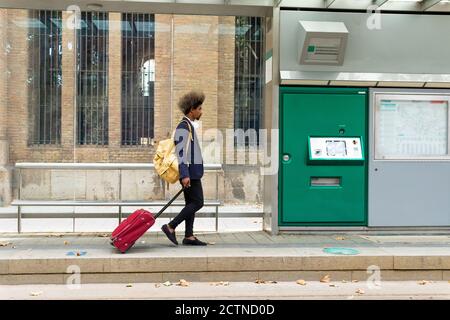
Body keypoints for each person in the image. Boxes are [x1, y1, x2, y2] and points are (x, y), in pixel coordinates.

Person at [161, 91, 207, 246]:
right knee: (198, 202)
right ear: (191, 109)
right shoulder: (183, 126)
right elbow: (181, 153)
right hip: (190, 174)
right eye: (199, 108)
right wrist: (185, 174)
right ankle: (171, 226)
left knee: (190, 204)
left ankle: (189, 236)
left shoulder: (188, 126)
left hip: (192, 173)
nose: (201, 111)